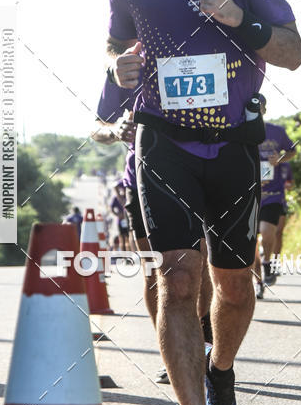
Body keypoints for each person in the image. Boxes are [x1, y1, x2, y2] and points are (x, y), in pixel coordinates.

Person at [107, 0, 301, 405]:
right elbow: (115, 54)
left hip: (235, 145)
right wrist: (118, 69)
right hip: (161, 138)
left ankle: (221, 372)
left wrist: (238, 18)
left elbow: (292, 52)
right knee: (175, 276)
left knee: (234, 284)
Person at [91, 71, 214, 385]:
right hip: (143, 178)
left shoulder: (200, 51)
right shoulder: (126, 66)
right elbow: (97, 128)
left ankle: (205, 344)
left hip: (199, 172)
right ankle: (172, 350)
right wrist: (116, 130)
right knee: (154, 270)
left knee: (198, 267)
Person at [253, 95, 296, 297]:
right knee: (250, 242)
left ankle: (268, 262)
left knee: (268, 232)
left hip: (273, 194)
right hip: (249, 194)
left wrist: (279, 158)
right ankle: (258, 281)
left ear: (264, 110)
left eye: (259, 108)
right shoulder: (237, 131)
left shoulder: (276, 132)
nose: (255, 111)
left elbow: (292, 150)